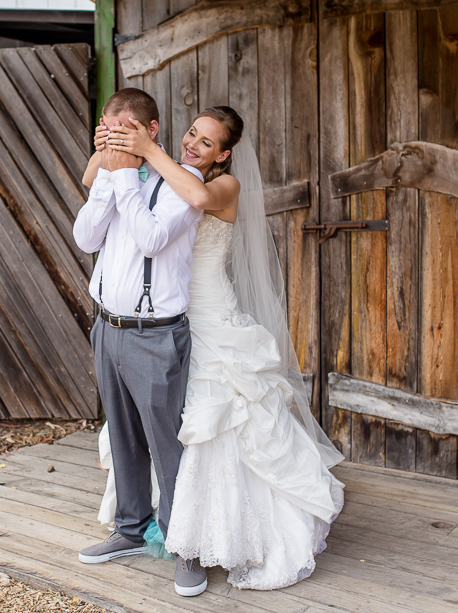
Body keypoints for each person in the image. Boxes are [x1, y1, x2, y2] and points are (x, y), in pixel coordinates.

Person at [88, 106, 346, 593]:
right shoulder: (165, 173)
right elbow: (96, 180)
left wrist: (148, 151)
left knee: (209, 426)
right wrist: (113, 142)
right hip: (170, 317)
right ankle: (140, 524)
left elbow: (197, 195)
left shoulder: (223, 187)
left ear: (224, 155)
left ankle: (200, 541)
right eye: (191, 133)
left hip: (210, 320)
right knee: (156, 425)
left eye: (206, 142)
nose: (194, 145)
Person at [72, 88, 209, 597]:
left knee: (167, 444)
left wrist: (124, 171)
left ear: (150, 131)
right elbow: (86, 238)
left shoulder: (185, 180)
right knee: (124, 438)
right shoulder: (114, 174)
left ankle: (185, 545)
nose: (113, 139)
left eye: (123, 129)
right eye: (108, 130)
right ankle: (131, 529)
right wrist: (107, 174)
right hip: (107, 327)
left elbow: (151, 238)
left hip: (156, 336)